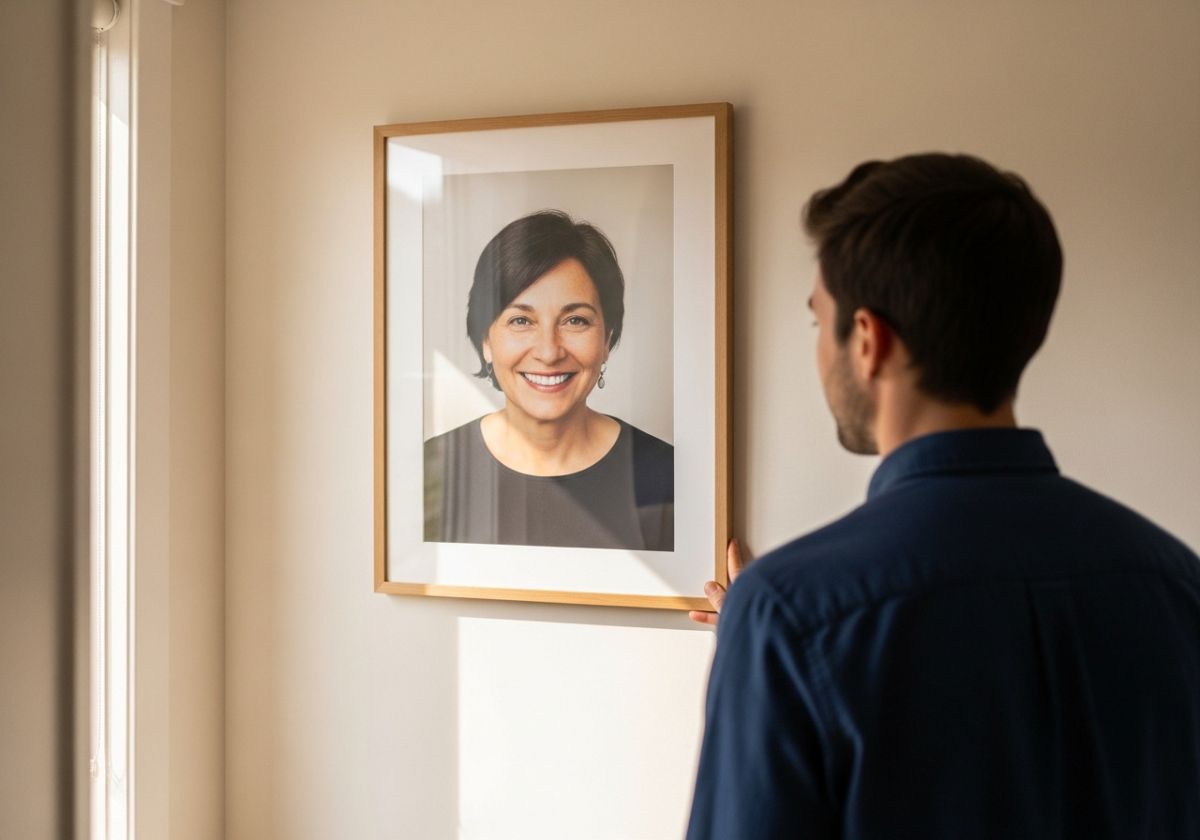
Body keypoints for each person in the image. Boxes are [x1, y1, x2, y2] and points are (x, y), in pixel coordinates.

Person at [687, 154, 1200, 838]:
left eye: (820, 323)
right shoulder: (1176, 583)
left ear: (867, 341)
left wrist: (777, 640)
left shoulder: (789, 612)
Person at [423, 210, 674, 551]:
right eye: (521, 321)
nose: (548, 351)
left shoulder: (668, 476)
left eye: (575, 320)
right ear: (486, 340)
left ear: (607, 339)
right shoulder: (431, 469)